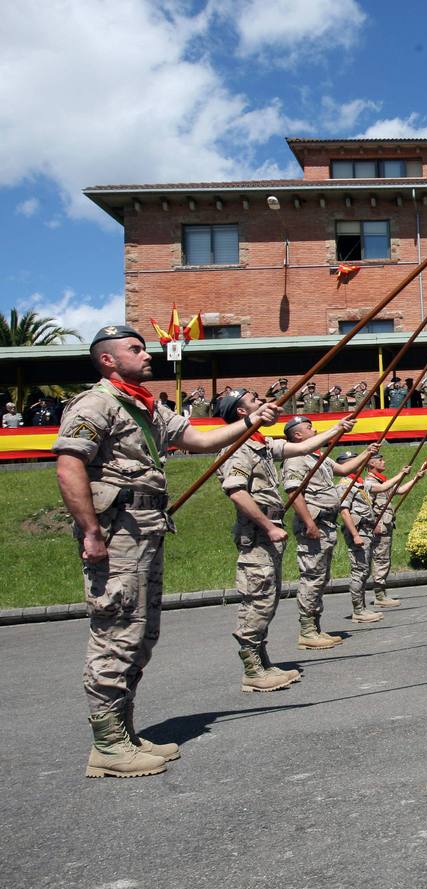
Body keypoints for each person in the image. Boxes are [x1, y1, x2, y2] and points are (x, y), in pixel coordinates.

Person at [53, 325, 283, 778]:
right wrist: (90, 532)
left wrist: (250, 422)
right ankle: (107, 745)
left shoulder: (143, 404)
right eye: (135, 349)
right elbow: (69, 463)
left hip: (146, 530)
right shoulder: (95, 403)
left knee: (140, 632)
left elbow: (197, 441)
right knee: (117, 631)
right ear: (107, 360)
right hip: (117, 534)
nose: (147, 354)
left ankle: (123, 731)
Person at [214, 388, 356, 692]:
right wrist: (267, 525)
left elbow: (304, 448)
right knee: (258, 597)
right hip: (257, 533)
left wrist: (336, 428)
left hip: (268, 530)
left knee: (268, 597)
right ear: (241, 412)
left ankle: (262, 662)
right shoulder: (237, 447)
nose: (263, 403)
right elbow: (236, 491)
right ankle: (253, 669)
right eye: (254, 402)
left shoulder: (260, 445)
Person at [282, 416, 377, 651]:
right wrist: (308, 523)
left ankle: (315, 627)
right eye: (308, 427)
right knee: (312, 576)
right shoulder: (295, 457)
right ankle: (307, 631)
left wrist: (367, 453)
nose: (313, 429)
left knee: (321, 577)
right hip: (314, 525)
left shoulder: (317, 456)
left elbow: (344, 468)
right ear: (297, 436)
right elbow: (294, 493)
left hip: (326, 524)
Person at [341, 450, 418, 617]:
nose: (360, 463)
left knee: (364, 569)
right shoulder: (345, 484)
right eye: (355, 461)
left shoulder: (361, 484)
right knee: (361, 570)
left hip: (367, 530)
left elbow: (385, 487)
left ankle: (362, 607)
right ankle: (361, 609)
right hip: (362, 531)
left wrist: (412, 476)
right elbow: (344, 512)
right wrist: (355, 534)